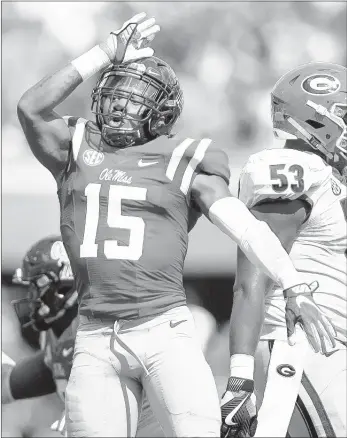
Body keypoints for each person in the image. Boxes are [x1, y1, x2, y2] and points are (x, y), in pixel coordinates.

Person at [17, 11, 333, 436]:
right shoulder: (78, 146)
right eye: (114, 95)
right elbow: (30, 107)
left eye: (135, 100)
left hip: (163, 331)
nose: (119, 108)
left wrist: (292, 283)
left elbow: (245, 227)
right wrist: (102, 54)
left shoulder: (184, 158)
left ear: (160, 113)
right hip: (94, 334)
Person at [220, 62, 347, 437]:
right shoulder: (291, 167)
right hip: (296, 347)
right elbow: (250, 279)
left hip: (323, 345)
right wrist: (240, 377)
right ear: (317, 119)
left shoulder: (326, 177)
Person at [2, 236, 217, 438]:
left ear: (65, 284)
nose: (31, 298)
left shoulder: (105, 324)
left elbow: (199, 321)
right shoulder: (56, 338)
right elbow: (8, 383)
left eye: (36, 286)